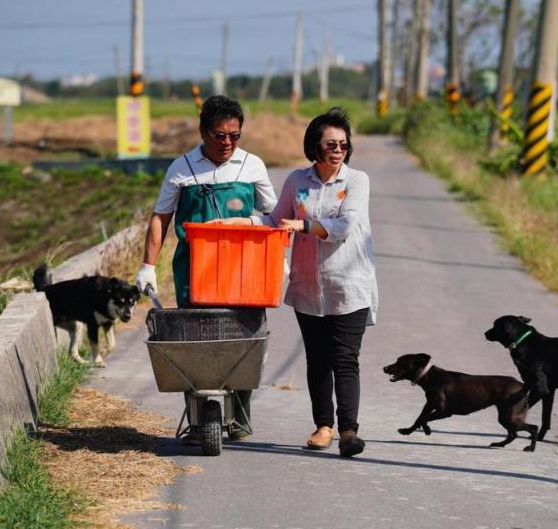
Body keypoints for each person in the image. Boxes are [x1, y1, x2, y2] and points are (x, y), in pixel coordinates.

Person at [213, 107, 378, 457]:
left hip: (348, 287)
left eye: (343, 145)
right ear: (314, 147)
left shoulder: (356, 181)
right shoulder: (297, 182)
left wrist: (303, 226)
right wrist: (241, 223)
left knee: (345, 359)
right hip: (307, 288)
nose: (337, 150)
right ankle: (323, 426)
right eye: (330, 144)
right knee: (318, 360)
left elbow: (344, 228)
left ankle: (349, 432)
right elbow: (276, 220)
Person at [136, 95, 277, 441]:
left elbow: (274, 214)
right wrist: (147, 265)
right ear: (202, 132)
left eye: (235, 135)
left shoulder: (252, 166)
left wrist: (263, 238)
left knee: (244, 339)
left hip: (243, 273)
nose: (227, 142)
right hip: (195, 273)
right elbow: (161, 217)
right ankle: (200, 421)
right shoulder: (181, 168)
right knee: (193, 343)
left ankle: (241, 415)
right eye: (219, 135)